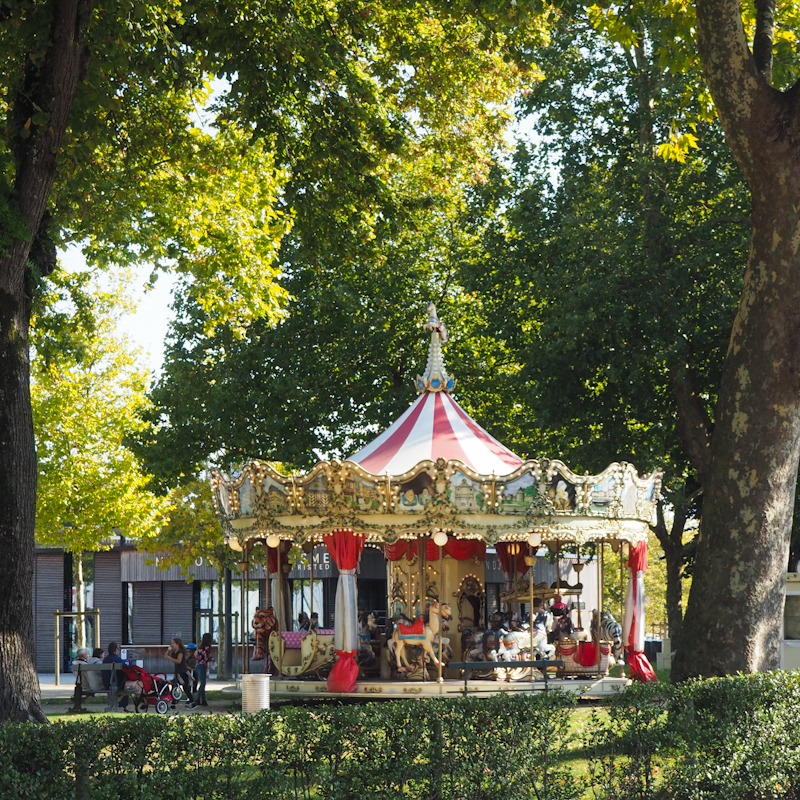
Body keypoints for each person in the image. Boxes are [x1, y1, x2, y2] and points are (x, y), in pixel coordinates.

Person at [165, 637, 194, 707]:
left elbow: (179, 661)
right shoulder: (174, 652)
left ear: (177, 644)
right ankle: (174, 703)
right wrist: (168, 650)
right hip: (177, 671)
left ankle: (192, 702)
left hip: (182, 672)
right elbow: (166, 656)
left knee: (183, 687)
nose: (172, 645)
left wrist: (170, 658)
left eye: (173, 643)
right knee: (175, 686)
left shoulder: (180, 652)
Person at [102, 642, 129, 711]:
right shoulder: (118, 660)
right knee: (126, 682)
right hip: (115, 684)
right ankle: (123, 705)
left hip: (106, 684)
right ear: (116, 650)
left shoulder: (105, 660)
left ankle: (117, 704)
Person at [194, 632, 214, 707]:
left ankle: (203, 700)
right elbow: (206, 658)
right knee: (203, 683)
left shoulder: (200, 648)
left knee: (202, 683)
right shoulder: (207, 648)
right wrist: (211, 659)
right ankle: (197, 699)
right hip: (202, 665)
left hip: (197, 665)